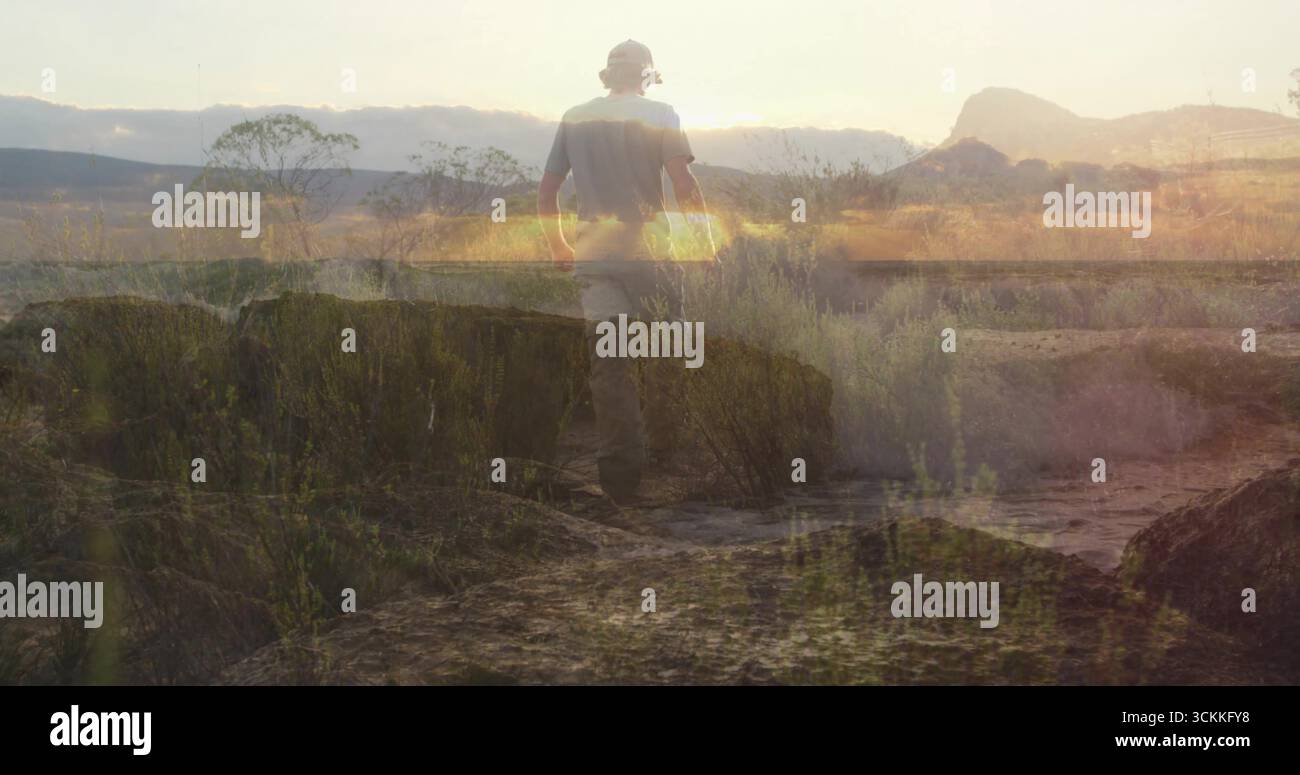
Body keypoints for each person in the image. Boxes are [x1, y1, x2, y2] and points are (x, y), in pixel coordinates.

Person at [537, 39, 717, 503]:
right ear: (647, 76)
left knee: (609, 365)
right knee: (666, 352)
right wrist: (704, 241)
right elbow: (683, 182)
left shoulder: (575, 116)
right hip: (649, 255)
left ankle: (619, 475)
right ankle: (664, 452)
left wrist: (559, 245)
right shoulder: (661, 114)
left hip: (595, 257)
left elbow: (548, 189)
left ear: (607, 76)